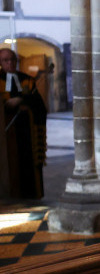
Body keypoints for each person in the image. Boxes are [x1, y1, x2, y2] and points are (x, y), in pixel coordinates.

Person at [0, 47, 47, 199]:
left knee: (28, 167)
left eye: (13, 59)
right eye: (6, 60)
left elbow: (39, 105)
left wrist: (21, 100)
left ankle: (32, 195)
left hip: (27, 131)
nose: (10, 63)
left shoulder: (27, 80)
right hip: (6, 135)